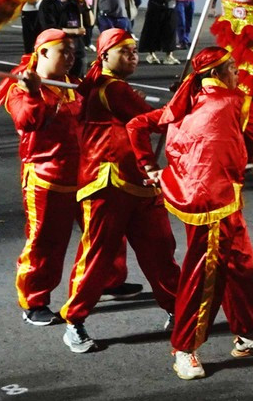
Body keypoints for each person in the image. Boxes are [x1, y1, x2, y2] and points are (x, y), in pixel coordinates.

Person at [128, 48, 253, 379]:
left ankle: (247, 335)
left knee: (242, 267)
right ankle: (184, 349)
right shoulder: (236, 101)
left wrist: (149, 166)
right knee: (203, 279)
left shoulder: (183, 102)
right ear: (216, 75)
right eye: (232, 69)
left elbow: (136, 125)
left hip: (218, 199)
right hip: (212, 204)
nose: (238, 74)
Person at [57, 29, 179, 343]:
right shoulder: (110, 88)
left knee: (160, 250)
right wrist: (182, 101)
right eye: (124, 51)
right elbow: (154, 118)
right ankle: (74, 322)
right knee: (98, 255)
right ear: (104, 56)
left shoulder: (105, 85)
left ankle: (179, 309)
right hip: (107, 184)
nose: (133, 56)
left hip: (138, 181)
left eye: (134, 51)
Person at [0, 28, 90, 348]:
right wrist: (34, 93)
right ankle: (34, 302)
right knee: (45, 243)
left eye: (73, 51)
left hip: (83, 175)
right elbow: (28, 121)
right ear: (43, 54)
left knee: (101, 236)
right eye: (63, 51)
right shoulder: (19, 88)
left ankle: (104, 282)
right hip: (46, 179)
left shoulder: (74, 86)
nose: (71, 57)